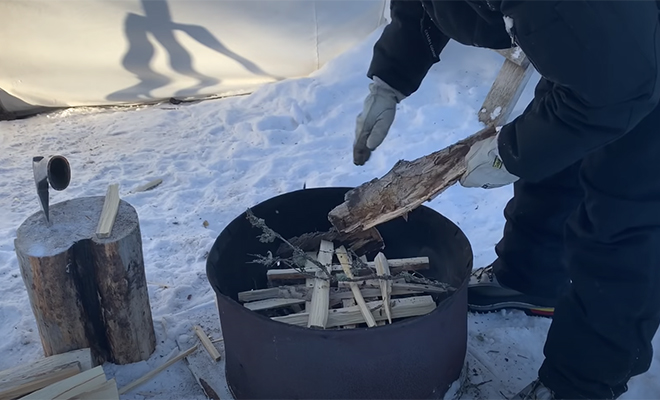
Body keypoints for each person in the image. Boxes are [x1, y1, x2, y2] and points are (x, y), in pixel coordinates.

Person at [352, 1, 660, 399]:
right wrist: (389, 79)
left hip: (639, 57)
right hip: (601, 32)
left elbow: (620, 86)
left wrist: (513, 153)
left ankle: (579, 385)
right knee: (561, 133)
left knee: (625, 217)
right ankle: (529, 278)